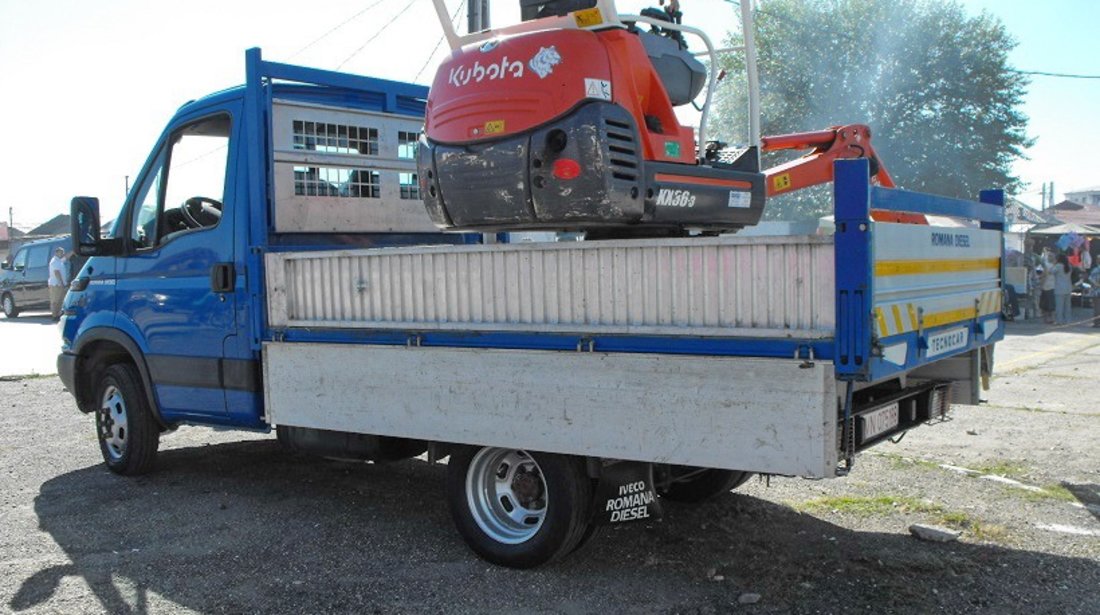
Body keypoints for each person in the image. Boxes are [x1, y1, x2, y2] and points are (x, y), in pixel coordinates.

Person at [48, 247, 71, 320]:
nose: (62, 254)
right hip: (56, 285)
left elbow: (66, 258)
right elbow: (56, 272)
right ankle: (54, 315)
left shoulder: (59, 261)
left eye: (63, 252)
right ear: (56, 253)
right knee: (55, 300)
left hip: (60, 284)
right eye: (61, 252)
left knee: (60, 300)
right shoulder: (54, 261)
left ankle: (58, 314)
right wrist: (61, 283)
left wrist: (73, 252)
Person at [1051, 253, 1072, 325]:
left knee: (1059, 306)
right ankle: (1067, 320)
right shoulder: (1069, 266)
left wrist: (1054, 264)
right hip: (1068, 288)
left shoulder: (1058, 266)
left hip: (1059, 288)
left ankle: (1059, 320)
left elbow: (1051, 271)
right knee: (1067, 306)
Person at [1089, 262, 1100, 328]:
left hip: (1096, 291)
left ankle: (1096, 323)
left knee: (1096, 308)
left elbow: (1091, 279)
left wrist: (1097, 285)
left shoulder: (1095, 270)